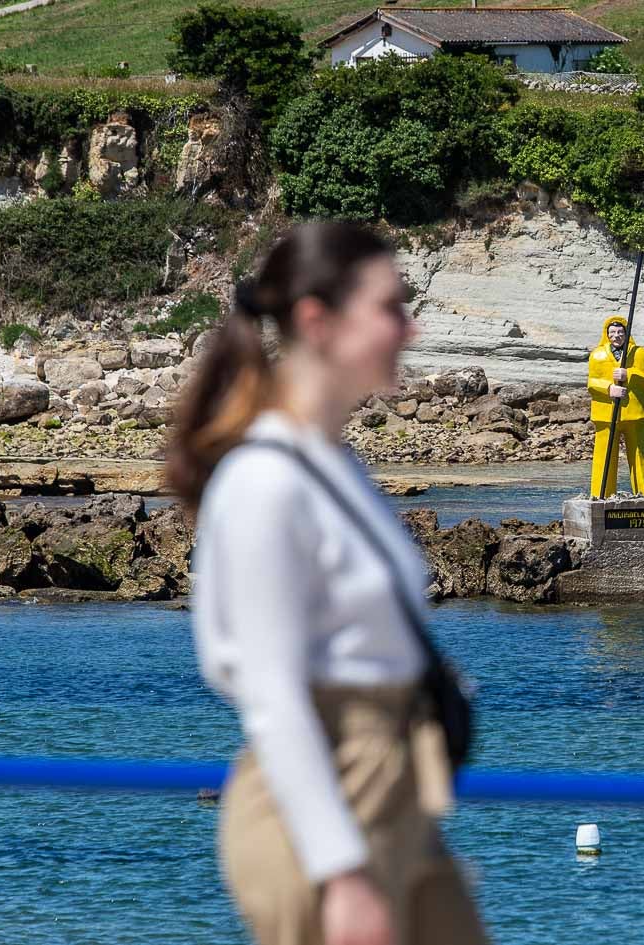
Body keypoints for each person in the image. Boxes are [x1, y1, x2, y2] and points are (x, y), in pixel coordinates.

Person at [167, 221, 488, 945]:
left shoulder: (335, 467)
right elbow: (272, 693)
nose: (412, 326)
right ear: (317, 320)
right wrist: (341, 873)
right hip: (324, 804)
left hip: (396, 795)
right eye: (390, 306)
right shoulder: (265, 480)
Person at [587, 315, 644, 498]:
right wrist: (609, 388)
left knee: (641, 458)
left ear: (626, 334)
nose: (616, 335)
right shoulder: (597, 354)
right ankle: (600, 494)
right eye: (612, 332)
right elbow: (592, 383)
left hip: (634, 413)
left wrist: (630, 375)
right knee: (604, 458)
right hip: (606, 414)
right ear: (607, 334)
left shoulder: (639, 353)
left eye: (620, 332)